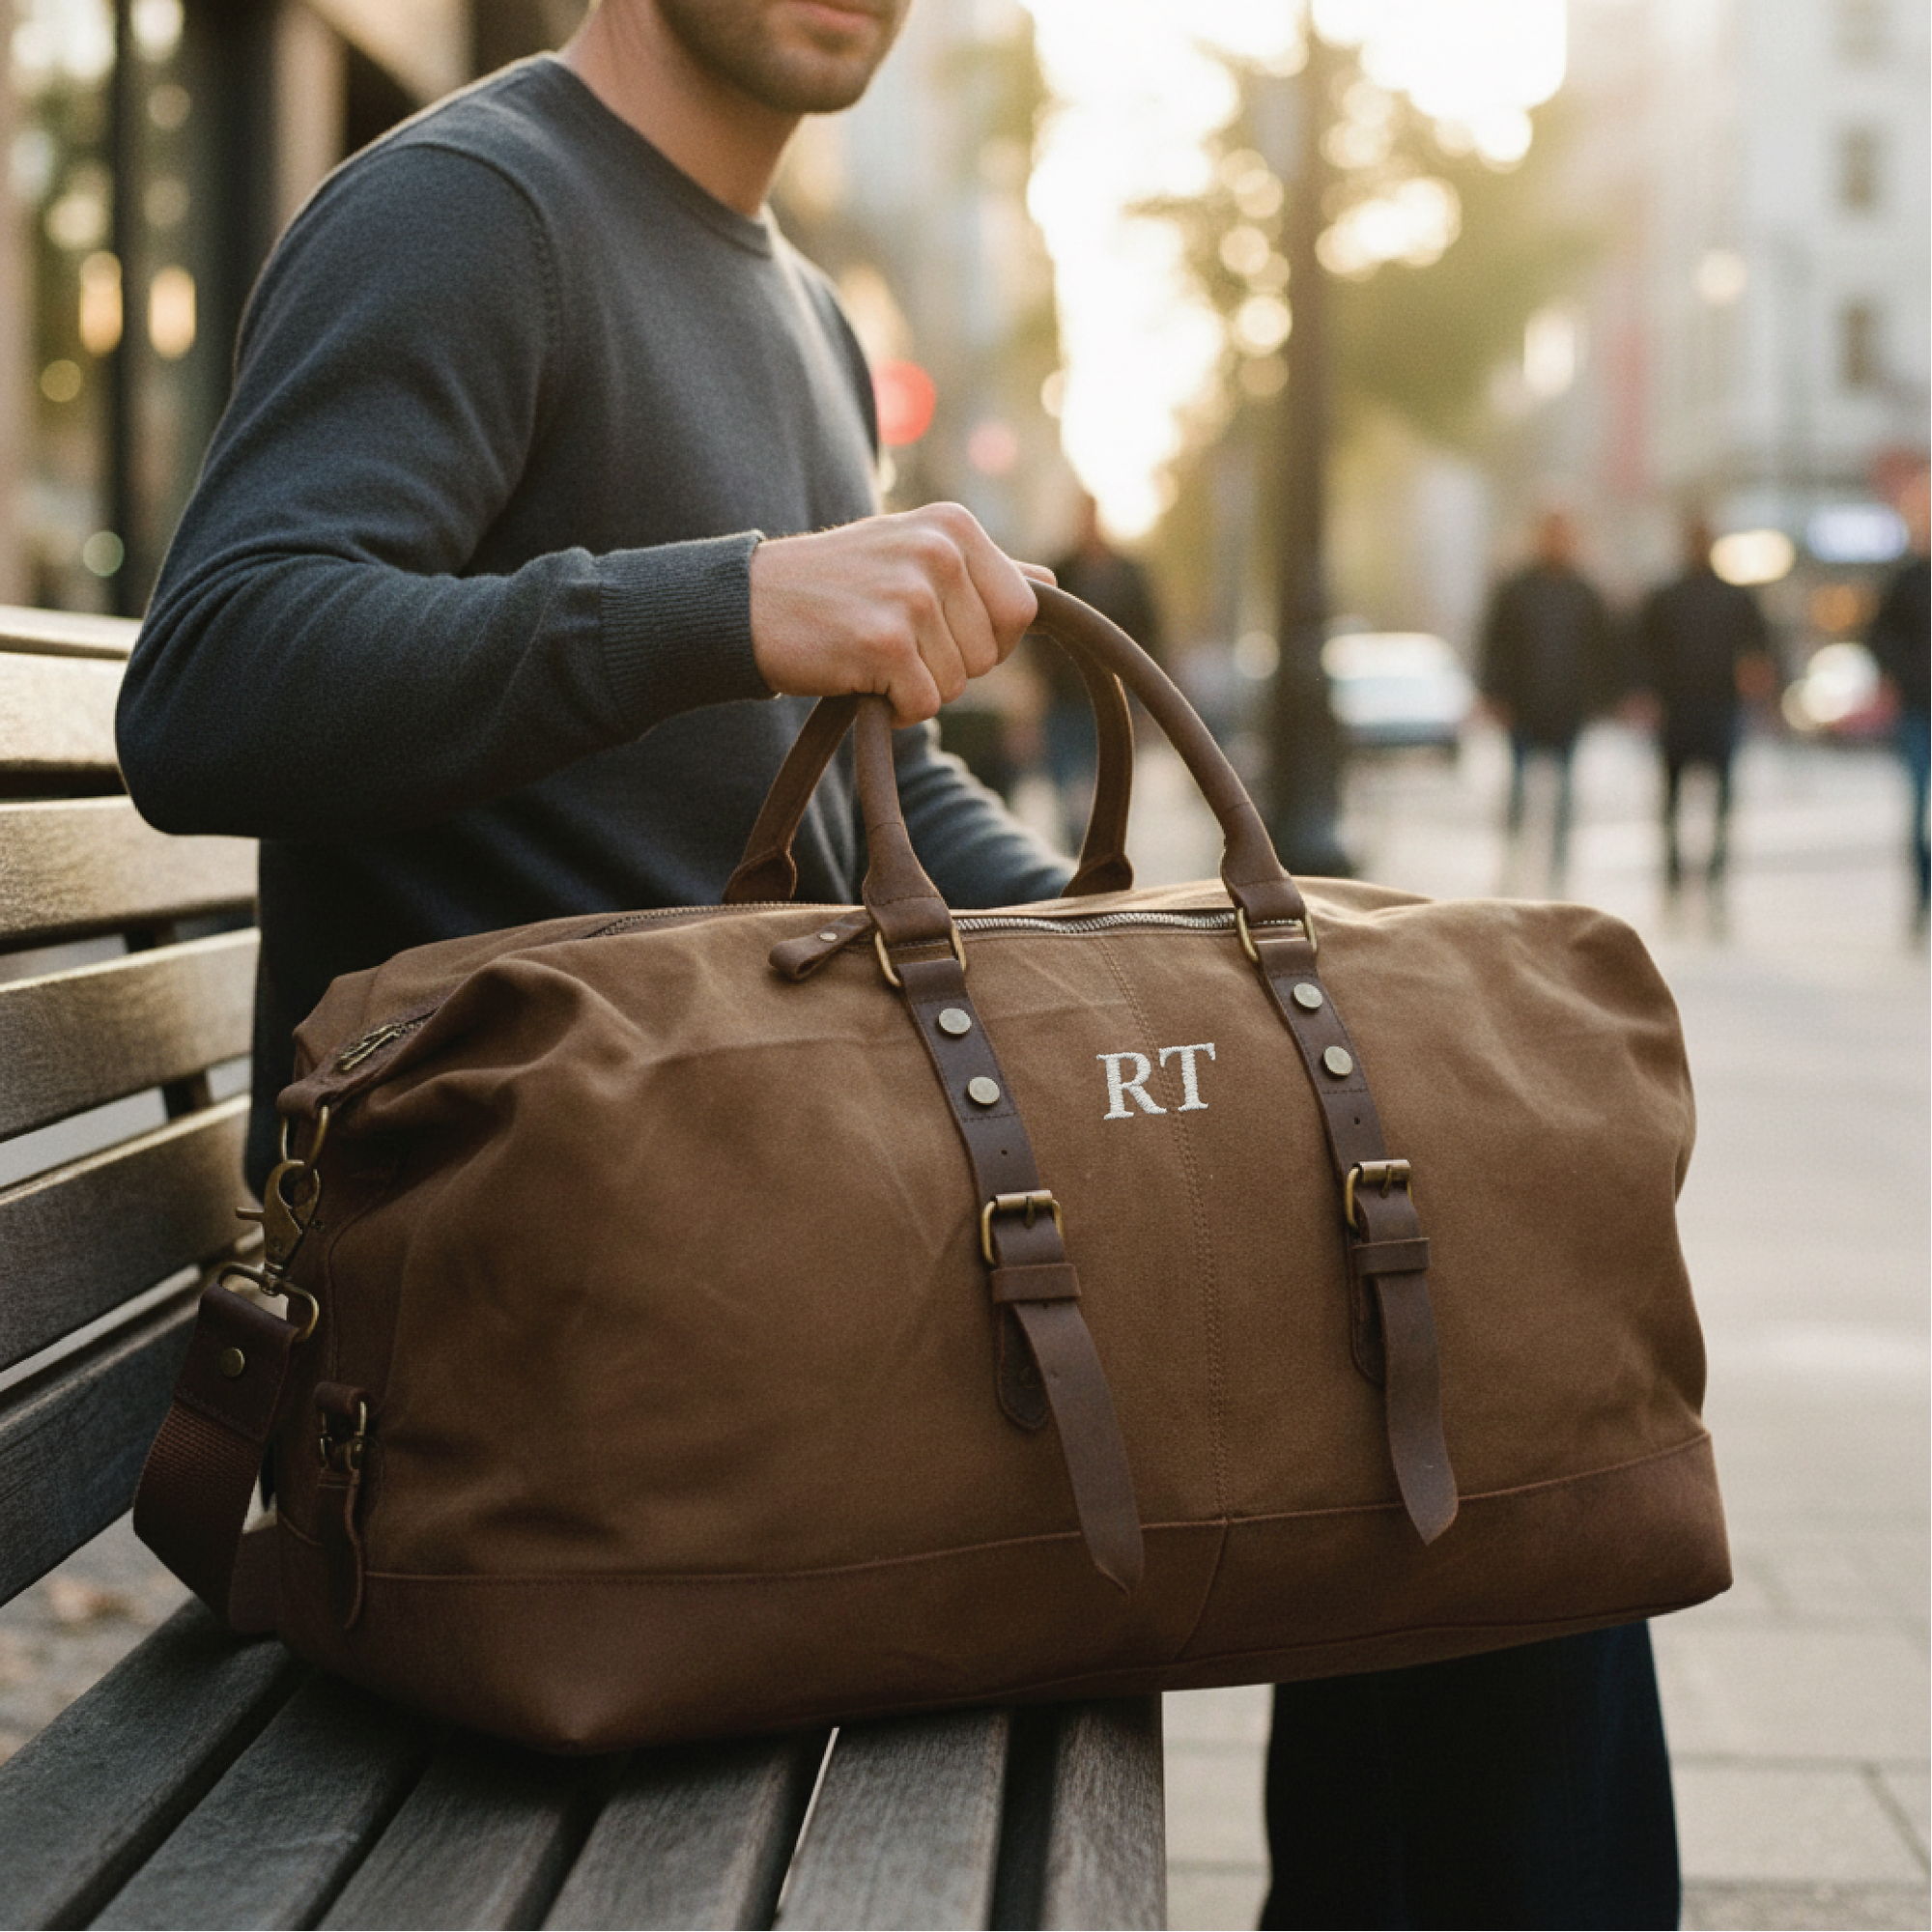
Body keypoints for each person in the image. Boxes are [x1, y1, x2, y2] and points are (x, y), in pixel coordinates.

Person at [113, 4, 1679, 1923]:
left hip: (825, 1218)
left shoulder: (805, 306)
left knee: (1500, 1414)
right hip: (567, 1339)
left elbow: (893, 797)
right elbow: (210, 687)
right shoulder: (470, 214)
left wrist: (1187, 976)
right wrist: (727, 600)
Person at [1479, 508, 1621, 894]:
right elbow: (1495, 644)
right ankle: (1513, 863)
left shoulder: (1584, 592)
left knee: (1564, 797)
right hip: (1523, 707)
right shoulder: (1515, 589)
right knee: (1519, 792)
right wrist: (1493, 695)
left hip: (1567, 709)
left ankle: (1558, 873)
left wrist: (1598, 700)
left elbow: (1603, 651)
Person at [1635, 514, 1772, 910]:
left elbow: (1759, 646)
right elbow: (1643, 649)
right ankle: (1674, 879)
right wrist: (1645, 694)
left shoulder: (1734, 596)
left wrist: (1755, 676)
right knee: (1671, 802)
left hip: (1720, 710)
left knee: (1722, 803)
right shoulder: (1666, 596)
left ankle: (1714, 881)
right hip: (1677, 711)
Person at [1029, 490, 1165, 846]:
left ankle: (1104, 859)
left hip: (1117, 702)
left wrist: (1148, 707)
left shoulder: (1130, 574)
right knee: (1067, 796)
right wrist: (1034, 699)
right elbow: (1035, 641)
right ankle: (1076, 862)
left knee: (1111, 790)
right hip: (1065, 702)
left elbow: (1150, 641)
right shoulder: (1060, 568)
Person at [1869, 468, 1932, 941]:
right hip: (1917, 708)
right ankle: (1921, 898)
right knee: (1917, 810)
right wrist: (1900, 674)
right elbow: (1877, 635)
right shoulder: (1905, 580)